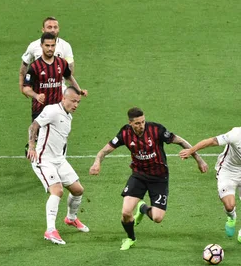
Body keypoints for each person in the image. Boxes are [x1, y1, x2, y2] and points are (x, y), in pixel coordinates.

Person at [89, 107, 208, 251]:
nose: (141, 126)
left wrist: (199, 159)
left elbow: (180, 141)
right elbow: (104, 150)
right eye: (138, 123)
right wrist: (97, 162)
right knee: (126, 212)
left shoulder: (156, 129)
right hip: (139, 176)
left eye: (143, 122)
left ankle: (143, 208)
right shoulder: (124, 133)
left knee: (158, 218)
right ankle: (130, 238)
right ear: (130, 123)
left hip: (159, 178)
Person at [179, 109, 241, 247]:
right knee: (229, 204)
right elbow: (211, 141)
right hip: (227, 171)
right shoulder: (235, 134)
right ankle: (231, 217)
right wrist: (190, 151)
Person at [27, 87, 89, 245]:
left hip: (59, 160)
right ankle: (50, 230)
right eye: (73, 101)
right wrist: (32, 147)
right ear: (64, 98)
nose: (76, 105)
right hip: (44, 160)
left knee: (78, 190)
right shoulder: (52, 110)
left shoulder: (69, 117)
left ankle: (71, 218)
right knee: (57, 190)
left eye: (78, 102)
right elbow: (34, 126)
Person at [22, 32, 87, 121]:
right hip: (40, 111)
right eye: (47, 45)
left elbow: (69, 77)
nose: (50, 48)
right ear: (41, 45)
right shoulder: (35, 66)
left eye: (53, 46)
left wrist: (79, 90)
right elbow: (25, 88)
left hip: (58, 110)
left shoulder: (62, 63)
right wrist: (36, 96)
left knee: (59, 134)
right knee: (39, 135)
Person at [19, 17, 75, 94]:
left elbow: (70, 68)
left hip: (60, 90)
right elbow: (24, 65)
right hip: (40, 90)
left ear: (59, 29)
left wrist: (71, 89)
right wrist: (23, 85)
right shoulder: (33, 45)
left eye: (55, 27)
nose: (53, 30)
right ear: (43, 29)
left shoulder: (65, 46)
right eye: (49, 27)